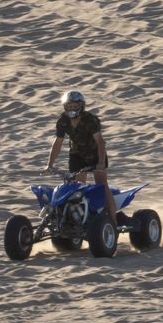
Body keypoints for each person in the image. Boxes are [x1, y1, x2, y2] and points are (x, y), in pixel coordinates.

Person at [44, 90, 118, 225]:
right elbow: (58, 142)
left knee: (102, 186)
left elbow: (100, 142)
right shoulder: (63, 121)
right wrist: (50, 164)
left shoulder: (90, 120)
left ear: (81, 106)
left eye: (74, 106)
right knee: (77, 187)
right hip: (77, 155)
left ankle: (114, 223)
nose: (71, 109)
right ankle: (82, 221)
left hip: (95, 154)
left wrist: (101, 163)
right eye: (69, 106)